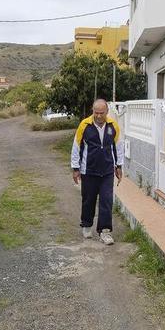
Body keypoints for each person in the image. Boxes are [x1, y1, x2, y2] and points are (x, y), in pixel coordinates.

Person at [71, 99, 123, 245]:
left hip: (107, 170)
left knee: (106, 201)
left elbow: (118, 147)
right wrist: (76, 169)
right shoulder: (85, 125)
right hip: (89, 170)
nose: (99, 116)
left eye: (102, 113)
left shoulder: (113, 126)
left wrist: (119, 166)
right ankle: (87, 225)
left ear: (107, 112)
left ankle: (105, 231)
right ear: (92, 111)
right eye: (96, 112)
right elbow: (76, 147)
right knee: (89, 199)